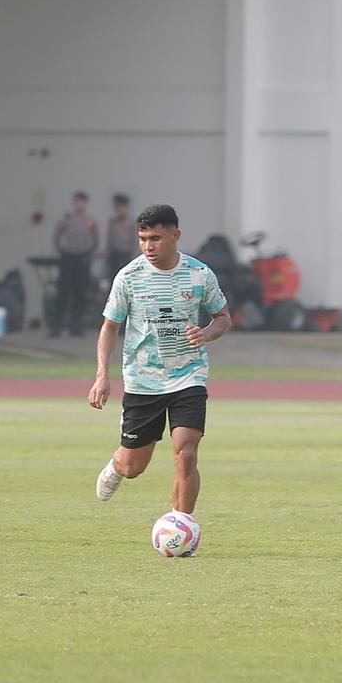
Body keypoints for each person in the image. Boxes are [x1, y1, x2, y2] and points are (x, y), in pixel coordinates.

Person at [89, 204, 231, 523]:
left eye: (155, 238)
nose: (148, 247)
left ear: (175, 235)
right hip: (143, 380)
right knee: (134, 467)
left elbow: (223, 318)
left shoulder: (199, 274)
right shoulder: (129, 277)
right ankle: (117, 464)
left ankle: (181, 525)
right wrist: (102, 376)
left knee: (186, 452)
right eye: (142, 239)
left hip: (188, 376)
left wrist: (206, 333)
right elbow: (110, 326)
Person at [50, 190, 99, 337]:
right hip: (68, 258)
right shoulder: (66, 220)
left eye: (82, 202)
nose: (79, 205)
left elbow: (96, 240)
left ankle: (76, 327)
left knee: (80, 293)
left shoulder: (90, 221)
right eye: (77, 202)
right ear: (73, 203)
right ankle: (57, 327)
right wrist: (62, 252)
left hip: (82, 259)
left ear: (86, 204)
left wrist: (88, 253)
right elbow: (57, 237)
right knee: (62, 292)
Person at [105, 193, 137, 282]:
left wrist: (133, 258)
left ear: (126, 207)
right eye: (117, 207)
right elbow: (109, 240)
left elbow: (134, 241)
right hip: (114, 256)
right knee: (113, 280)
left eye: (121, 207)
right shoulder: (112, 222)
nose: (118, 210)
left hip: (126, 256)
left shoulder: (131, 223)